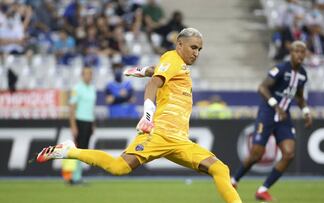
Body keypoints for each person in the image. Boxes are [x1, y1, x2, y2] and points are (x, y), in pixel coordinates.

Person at [36, 28, 242, 203]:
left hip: (179, 140)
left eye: (200, 49)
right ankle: (69, 151)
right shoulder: (172, 57)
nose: (197, 53)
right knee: (119, 167)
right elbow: (154, 83)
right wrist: (148, 115)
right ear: (180, 44)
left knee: (220, 169)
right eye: (193, 47)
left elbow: (157, 71)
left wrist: (143, 70)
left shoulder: (178, 66)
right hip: (159, 133)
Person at [231, 41, 313, 201]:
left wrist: (306, 112)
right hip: (268, 114)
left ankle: (263, 189)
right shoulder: (281, 69)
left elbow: (300, 97)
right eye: (297, 51)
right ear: (291, 53)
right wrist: (276, 106)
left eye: (303, 52)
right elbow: (262, 87)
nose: (300, 54)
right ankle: (234, 181)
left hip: (284, 117)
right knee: (256, 155)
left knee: (289, 154)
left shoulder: (303, 74)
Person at [63, 67, 96, 184]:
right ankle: (72, 176)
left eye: (90, 74)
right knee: (77, 150)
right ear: (82, 76)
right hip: (79, 121)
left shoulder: (92, 88)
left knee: (83, 150)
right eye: (87, 74)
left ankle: (77, 176)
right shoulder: (77, 88)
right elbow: (71, 108)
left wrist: (93, 124)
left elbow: (91, 108)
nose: (89, 76)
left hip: (88, 121)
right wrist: (73, 126)